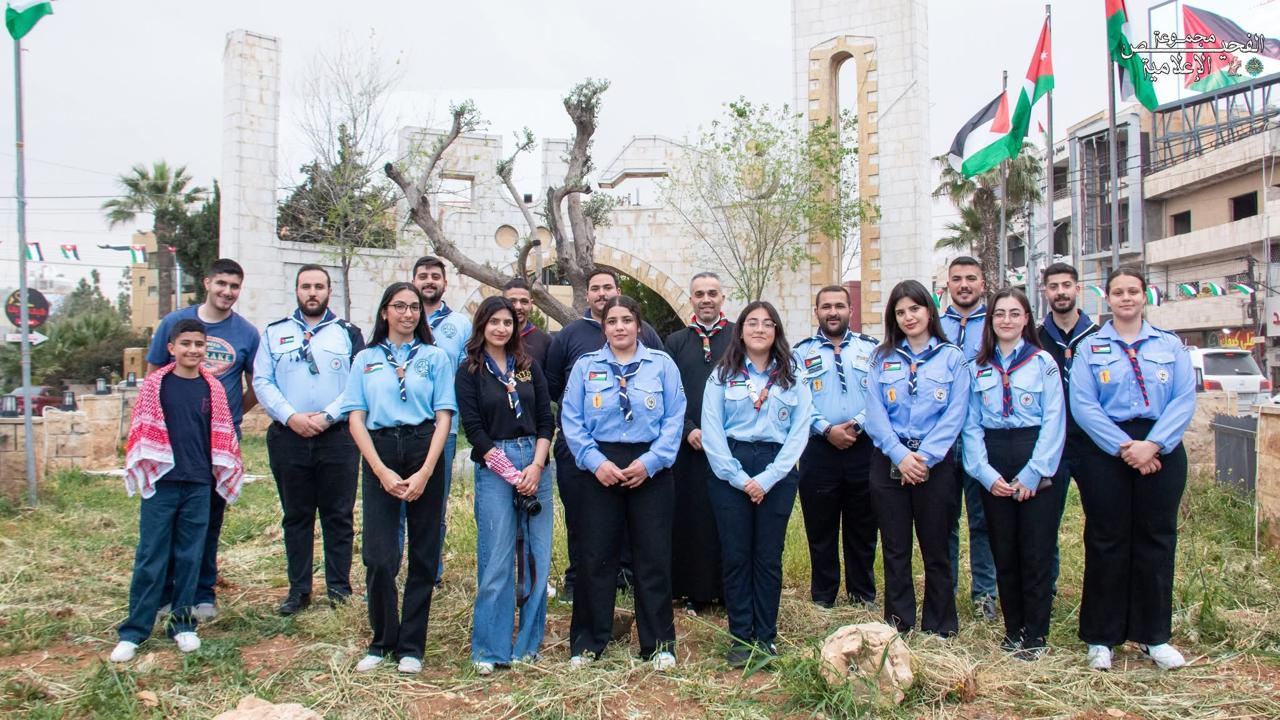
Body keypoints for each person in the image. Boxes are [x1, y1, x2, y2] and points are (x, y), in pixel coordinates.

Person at [1069, 267, 1195, 672]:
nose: (1126, 298)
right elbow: (1083, 404)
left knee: (1156, 540)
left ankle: (1153, 635)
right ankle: (1101, 637)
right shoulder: (1090, 348)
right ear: (1107, 298)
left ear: (1145, 296)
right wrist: (1125, 448)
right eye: (1118, 292)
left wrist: (1153, 445)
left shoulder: (1170, 345)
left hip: (1161, 448)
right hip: (1109, 450)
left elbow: (1183, 399)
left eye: (1133, 291)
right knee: (1106, 540)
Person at [560, 295, 685, 670]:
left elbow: (675, 419)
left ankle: (658, 645)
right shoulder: (585, 367)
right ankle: (588, 643)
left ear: (638, 325)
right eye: (612, 321)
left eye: (626, 320)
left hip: (651, 468)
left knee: (652, 558)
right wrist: (595, 462)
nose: (619, 327)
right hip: (600, 467)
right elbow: (571, 420)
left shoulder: (661, 365)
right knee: (595, 557)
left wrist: (650, 462)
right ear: (604, 328)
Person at [112, 319, 244, 662]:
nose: (192, 350)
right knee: (151, 555)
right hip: (162, 484)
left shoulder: (212, 389)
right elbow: (142, 431)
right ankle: (134, 631)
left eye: (199, 344)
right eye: (186, 343)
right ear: (172, 348)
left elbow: (221, 434)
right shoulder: (156, 386)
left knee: (190, 555)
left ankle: (183, 624)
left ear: (205, 349)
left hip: (199, 483)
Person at [342, 283, 457, 674]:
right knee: (379, 556)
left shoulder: (435, 357)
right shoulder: (366, 358)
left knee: (424, 553)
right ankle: (382, 640)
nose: (408, 314)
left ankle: (411, 645)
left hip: (424, 446)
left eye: (414, 308)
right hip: (381, 450)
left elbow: (444, 415)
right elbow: (355, 418)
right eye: (400, 306)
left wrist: (426, 470)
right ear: (384, 312)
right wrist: (380, 470)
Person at [145, 258, 259, 620]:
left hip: (218, 446)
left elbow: (256, 386)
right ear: (207, 283)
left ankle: (202, 592)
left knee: (208, 520)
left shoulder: (247, 334)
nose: (227, 291)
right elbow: (153, 377)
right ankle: (165, 594)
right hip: (173, 441)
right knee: (167, 521)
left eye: (234, 286)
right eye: (221, 283)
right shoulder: (174, 324)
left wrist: (228, 415)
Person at [702, 301, 812, 668]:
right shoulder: (722, 374)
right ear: (741, 330)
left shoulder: (793, 374)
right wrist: (738, 476)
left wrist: (768, 477)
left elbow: (800, 430)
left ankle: (765, 637)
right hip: (730, 469)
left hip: (777, 469)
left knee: (767, 557)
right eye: (752, 322)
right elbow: (712, 431)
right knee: (736, 556)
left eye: (767, 323)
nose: (760, 329)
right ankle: (740, 637)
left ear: (777, 330)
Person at [252, 265, 364, 615]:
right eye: (306, 286)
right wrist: (291, 417)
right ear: (297, 290)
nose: (312, 292)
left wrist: (328, 416)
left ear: (329, 291)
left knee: (338, 515)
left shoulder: (347, 333)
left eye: (319, 286)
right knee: (296, 515)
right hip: (289, 436)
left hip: (337, 437)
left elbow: (357, 382)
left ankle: (339, 589)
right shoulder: (275, 332)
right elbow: (262, 381)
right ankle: (298, 590)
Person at [545, 268, 663, 598]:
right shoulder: (569, 335)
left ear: (618, 290)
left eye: (607, 287)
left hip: (634, 444)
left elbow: (662, 379)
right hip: (581, 444)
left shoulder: (646, 334)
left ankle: (624, 575)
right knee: (581, 513)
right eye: (595, 288)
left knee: (629, 515)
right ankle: (578, 578)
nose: (601, 293)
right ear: (587, 295)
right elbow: (555, 385)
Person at [960, 288, 1065, 659]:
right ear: (990, 321)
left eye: (1014, 313)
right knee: (1003, 550)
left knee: (1035, 551)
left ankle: (1036, 634)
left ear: (1026, 319)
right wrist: (985, 474)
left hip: (1033, 455)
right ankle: (1013, 629)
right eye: (999, 314)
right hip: (994, 460)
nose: (1006, 320)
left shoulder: (1043, 362)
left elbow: (1054, 419)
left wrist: (1035, 472)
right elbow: (970, 425)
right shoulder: (977, 368)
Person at [455, 297, 554, 674]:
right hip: (495, 463)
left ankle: (527, 646)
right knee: (496, 558)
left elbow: (546, 420)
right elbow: (473, 430)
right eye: (494, 322)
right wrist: (512, 474)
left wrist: (536, 466)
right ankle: (489, 649)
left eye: (507, 322)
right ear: (481, 325)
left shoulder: (528, 367)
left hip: (536, 462)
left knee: (536, 557)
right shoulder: (469, 371)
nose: (501, 328)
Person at [863, 280, 968, 637]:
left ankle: (940, 625)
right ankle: (899, 624)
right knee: (895, 548)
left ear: (929, 311)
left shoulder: (952, 358)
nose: (909, 317)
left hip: (934, 464)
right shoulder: (881, 358)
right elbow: (874, 413)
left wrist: (923, 458)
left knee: (936, 548)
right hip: (889, 460)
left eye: (915, 309)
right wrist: (900, 456)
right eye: (900, 312)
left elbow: (955, 414)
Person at [793, 285, 880, 609]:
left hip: (863, 446)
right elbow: (799, 400)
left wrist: (857, 424)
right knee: (821, 527)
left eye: (839, 306)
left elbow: (879, 395)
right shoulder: (800, 353)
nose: (833, 312)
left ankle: (862, 594)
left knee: (863, 527)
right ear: (816, 312)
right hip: (819, 449)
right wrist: (826, 429)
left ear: (850, 311)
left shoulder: (872, 349)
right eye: (826, 306)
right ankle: (823, 596)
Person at [663, 271, 733, 614]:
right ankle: (694, 590)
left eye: (712, 293)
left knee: (726, 517)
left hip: (730, 443)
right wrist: (688, 428)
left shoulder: (738, 337)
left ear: (722, 298)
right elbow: (668, 393)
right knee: (692, 517)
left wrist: (722, 432)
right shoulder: (675, 342)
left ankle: (727, 589)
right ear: (691, 299)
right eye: (700, 294)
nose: (706, 299)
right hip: (688, 444)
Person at [939, 256, 998, 621]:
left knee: (983, 519)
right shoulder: (934, 324)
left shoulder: (996, 323)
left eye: (971, 278)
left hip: (981, 435)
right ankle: (944, 591)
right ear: (947, 284)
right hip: (942, 437)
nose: (964, 285)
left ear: (982, 284)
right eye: (957, 278)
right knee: (944, 520)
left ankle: (985, 594)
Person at [1037, 262, 1099, 590]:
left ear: (1077, 288)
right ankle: (1046, 591)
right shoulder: (1034, 339)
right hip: (1051, 444)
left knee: (1101, 523)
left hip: (1092, 443)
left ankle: (1099, 593)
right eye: (1053, 286)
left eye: (1066, 285)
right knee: (1044, 524)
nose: (1060, 292)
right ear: (1045, 292)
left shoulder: (1099, 337)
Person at [410, 256, 471, 586]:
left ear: (445, 284)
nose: (429, 281)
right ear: (414, 281)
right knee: (395, 501)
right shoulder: (402, 318)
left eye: (435, 276)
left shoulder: (459, 324)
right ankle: (392, 570)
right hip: (400, 426)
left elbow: (466, 372)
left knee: (435, 500)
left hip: (441, 427)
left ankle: (430, 572)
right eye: (423, 276)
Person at [503, 278, 552, 370]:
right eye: (512, 301)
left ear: (531, 304)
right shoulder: (493, 339)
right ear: (502, 303)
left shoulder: (545, 341)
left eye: (524, 302)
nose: (518, 307)